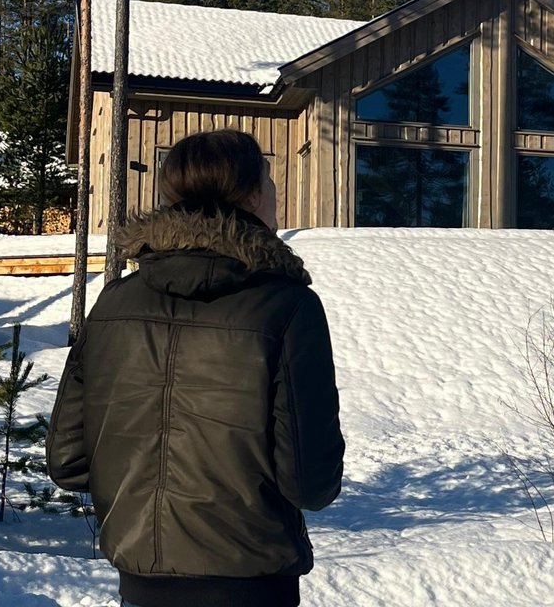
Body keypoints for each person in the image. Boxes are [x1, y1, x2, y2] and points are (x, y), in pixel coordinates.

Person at [48, 128, 345, 607]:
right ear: (251, 197)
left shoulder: (113, 303)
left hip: (141, 582)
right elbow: (311, 481)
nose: (275, 194)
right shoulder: (287, 306)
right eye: (269, 182)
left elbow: (68, 461)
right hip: (251, 583)